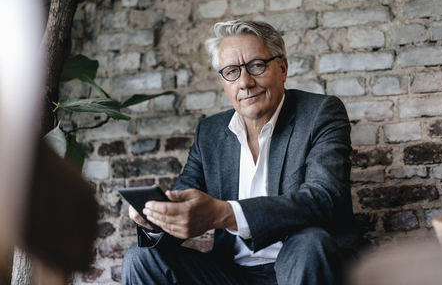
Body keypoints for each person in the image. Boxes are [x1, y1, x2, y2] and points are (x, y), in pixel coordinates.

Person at [121, 20, 364, 285]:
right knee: (140, 258)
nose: (245, 82)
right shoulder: (210, 132)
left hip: (302, 261)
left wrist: (224, 213)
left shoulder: (320, 113)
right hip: (231, 274)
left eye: (256, 66)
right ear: (223, 80)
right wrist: (156, 220)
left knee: (309, 242)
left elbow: (324, 198)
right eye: (232, 71)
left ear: (282, 68)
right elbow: (185, 203)